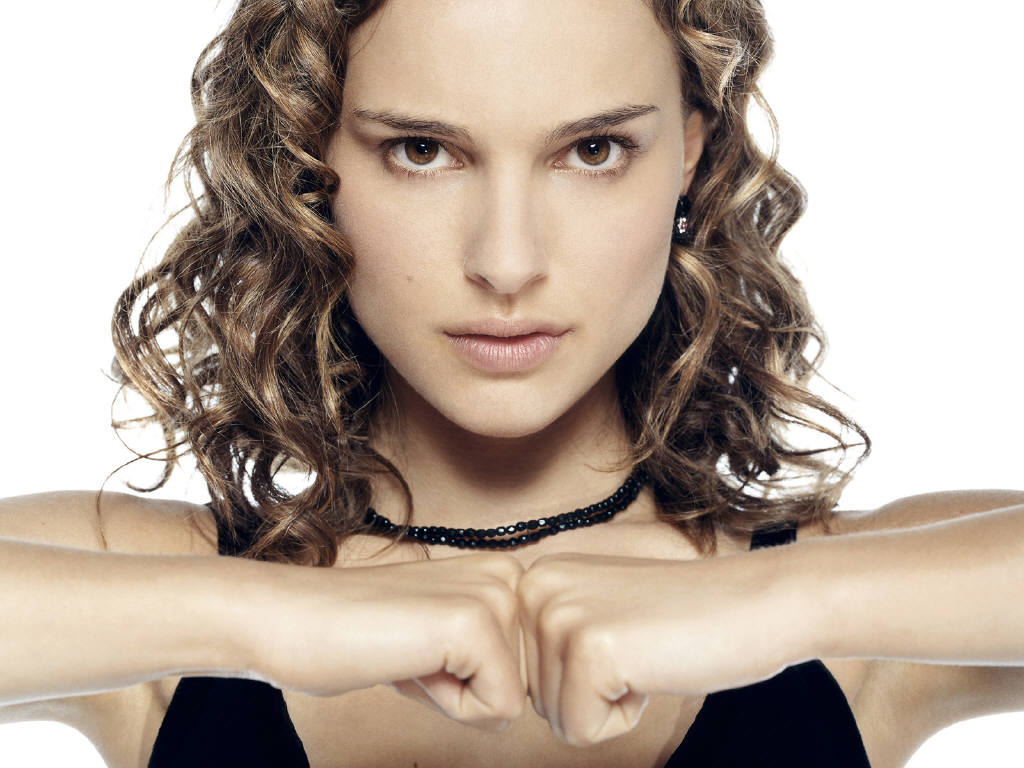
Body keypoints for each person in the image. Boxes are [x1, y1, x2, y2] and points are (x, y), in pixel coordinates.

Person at [1, 0, 1022, 766]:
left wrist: (781, 604)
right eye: (421, 151)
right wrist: (263, 619)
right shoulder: (155, 597)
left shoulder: (855, 618)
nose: (506, 261)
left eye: (592, 150)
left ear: (688, 155)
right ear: (310, 163)